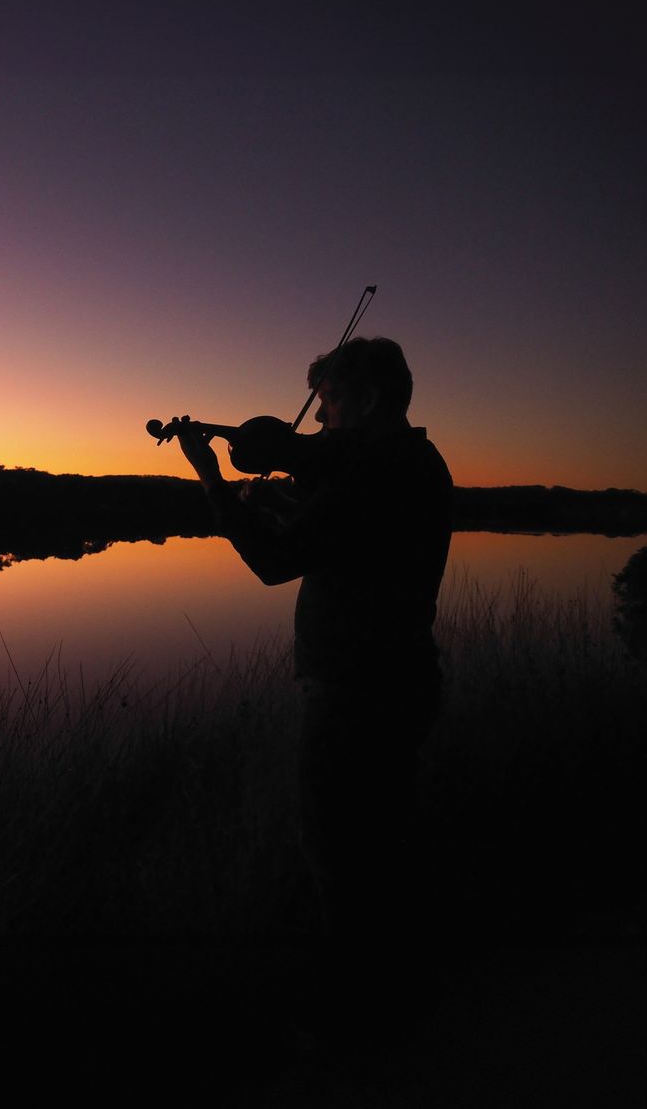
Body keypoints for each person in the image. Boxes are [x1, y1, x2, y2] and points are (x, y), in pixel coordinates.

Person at [172, 335, 453, 1042]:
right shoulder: (419, 462)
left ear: (366, 397)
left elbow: (274, 562)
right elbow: (331, 539)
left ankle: (355, 1023)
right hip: (406, 678)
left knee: (337, 859)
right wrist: (282, 498)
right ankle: (403, 1000)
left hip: (354, 692)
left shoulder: (369, 473)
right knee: (383, 846)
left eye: (327, 404)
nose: (318, 424)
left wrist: (213, 482)